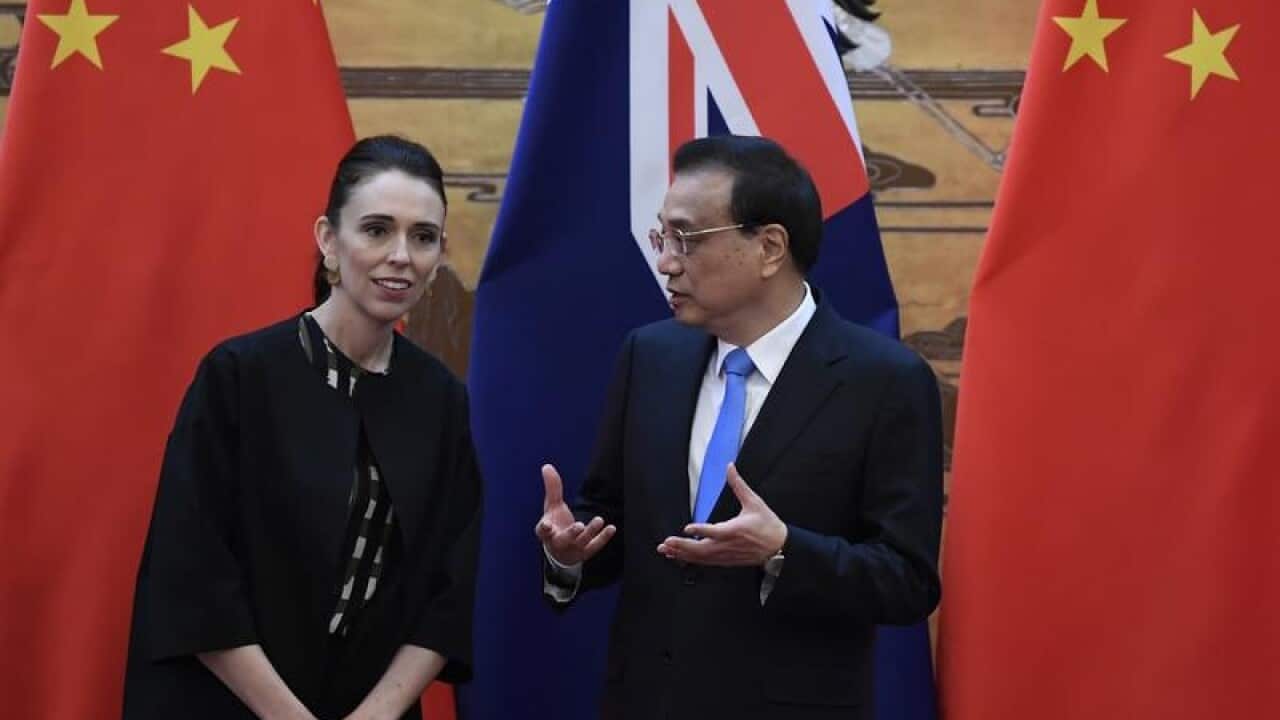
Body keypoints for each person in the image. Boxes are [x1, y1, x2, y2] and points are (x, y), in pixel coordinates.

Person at [536, 135, 943, 720]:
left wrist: (783, 551)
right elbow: (616, 521)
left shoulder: (884, 381)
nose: (666, 260)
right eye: (663, 236)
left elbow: (907, 582)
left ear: (770, 247)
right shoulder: (650, 356)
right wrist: (571, 555)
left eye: (687, 238)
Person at [124, 136, 483, 720]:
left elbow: (450, 588)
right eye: (376, 230)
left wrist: (377, 714)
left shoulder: (441, 400)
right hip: (228, 703)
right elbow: (193, 574)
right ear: (328, 241)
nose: (401, 255)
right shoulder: (239, 377)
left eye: (422, 237)